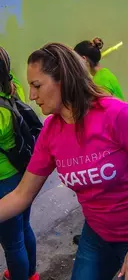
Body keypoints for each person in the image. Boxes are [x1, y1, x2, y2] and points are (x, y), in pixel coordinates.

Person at [0, 43, 128, 279]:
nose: (31, 95)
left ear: (63, 79)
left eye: (37, 85)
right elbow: (22, 195)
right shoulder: (50, 132)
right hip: (98, 235)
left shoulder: (117, 115)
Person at [0, 47, 39, 280]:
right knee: (24, 228)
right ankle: (31, 273)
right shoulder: (15, 89)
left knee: (12, 243)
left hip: (3, 183)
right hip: (21, 176)